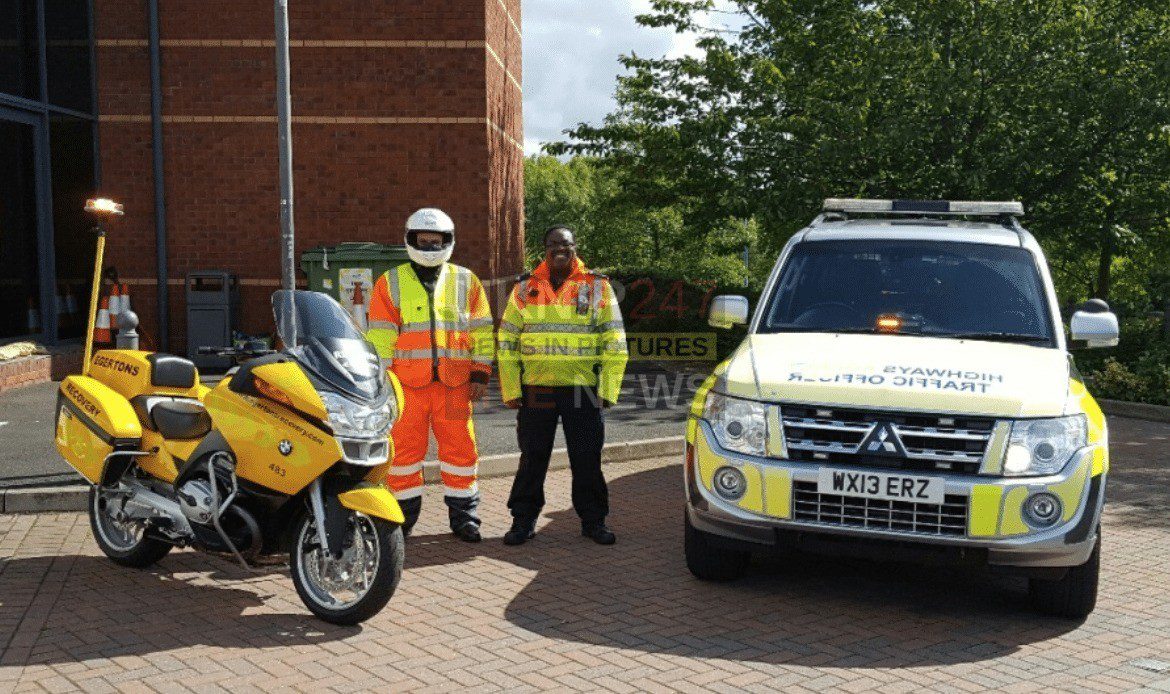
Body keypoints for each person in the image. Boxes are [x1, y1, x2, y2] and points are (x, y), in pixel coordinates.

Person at [366, 208, 494, 542]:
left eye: (436, 241)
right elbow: (380, 336)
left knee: (461, 452)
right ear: (410, 240)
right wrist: (382, 380)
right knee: (405, 454)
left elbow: (481, 331)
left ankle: (465, 518)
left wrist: (480, 373)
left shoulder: (466, 281)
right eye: (423, 240)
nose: (429, 246)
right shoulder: (389, 282)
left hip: (455, 384)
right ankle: (403, 520)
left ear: (448, 241)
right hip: (406, 386)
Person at [498, 225, 628, 545]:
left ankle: (593, 521)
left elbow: (615, 342)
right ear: (544, 248)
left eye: (566, 244)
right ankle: (523, 521)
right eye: (554, 243)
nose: (560, 249)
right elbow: (507, 342)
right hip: (535, 388)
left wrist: (608, 391)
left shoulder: (597, 287)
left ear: (574, 247)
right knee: (532, 457)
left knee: (586, 458)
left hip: (582, 389)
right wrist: (512, 389)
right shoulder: (525, 288)